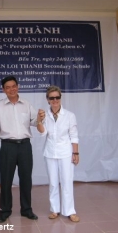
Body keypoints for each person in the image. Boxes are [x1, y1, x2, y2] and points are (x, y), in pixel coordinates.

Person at [0, 76, 45, 223]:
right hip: (8, 146)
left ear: (18, 86)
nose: (11, 89)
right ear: (3, 90)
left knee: (26, 179)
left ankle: (27, 210)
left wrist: (40, 118)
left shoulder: (27, 104)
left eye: (13, 86)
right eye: (7, 87)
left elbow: (35, 122)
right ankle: (5, 211)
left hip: (25, 146)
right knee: (6, 179)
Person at [37, 85, 80, 222]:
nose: (55, 100)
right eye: (52, 98)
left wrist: (76, 153)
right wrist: (38, 120)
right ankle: (54, 209)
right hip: (50, 152)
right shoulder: (44, 115)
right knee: (53, 183)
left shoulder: (69, 115)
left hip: (66, 152)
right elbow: (43, 133)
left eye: (57, 97)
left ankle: (70, 211)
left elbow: (74, 135)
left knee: (67, 182)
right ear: (47, 99)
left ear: (60, 98)